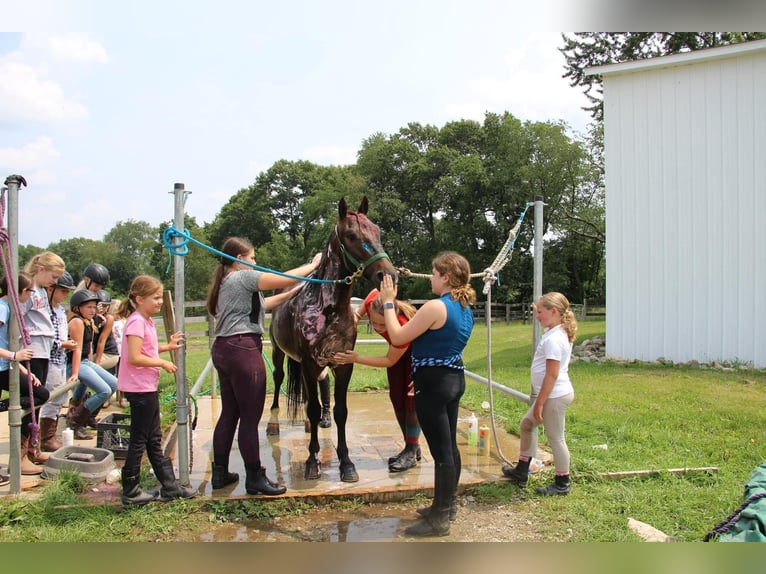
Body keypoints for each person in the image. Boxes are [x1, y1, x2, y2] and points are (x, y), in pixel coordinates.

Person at [205, 237, 321, 494]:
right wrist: (312, 266)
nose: (255, 263)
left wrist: (292, 294)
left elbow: (263, 305)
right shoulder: (242, 277)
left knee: (229, 414)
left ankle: (220, 473)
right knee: (249, 419)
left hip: (224, 349)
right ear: (239, 258)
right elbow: (281, 277)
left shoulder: (226, 282)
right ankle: (255, 478)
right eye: (252, 258)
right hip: (243, 351)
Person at [378, 251, 475, 537]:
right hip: (453, 379)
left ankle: (440, 519)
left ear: (445, 277)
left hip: (433, 384)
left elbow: (397, 336)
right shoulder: (464, 306)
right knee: (450, 449)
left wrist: (387, 303)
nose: (431, 278)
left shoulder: (436, 307)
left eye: (434, 273)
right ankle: (446, 505)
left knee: (442, 451)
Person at [116, 274, 194, 506]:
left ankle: (169, 487)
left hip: (146, 386)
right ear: (139, 299)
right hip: (139, 389)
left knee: (153, 438)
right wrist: (162, 362)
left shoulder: (145, 320)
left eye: (161, 297)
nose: (160, 302)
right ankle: (130, 490)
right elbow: (135, 356)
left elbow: (146, 348)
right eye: (155, 297)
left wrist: (166, 346)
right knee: (140, 439)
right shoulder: (137, 321)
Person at [333, 289, 422, 472]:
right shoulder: (373, 301)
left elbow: (389, 360)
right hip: (397, 352)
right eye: (374, 322)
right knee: (397, 398)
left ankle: (412, 450)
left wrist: (356, 358)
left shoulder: (401, 324)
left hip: (417, 354)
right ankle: (410, 445)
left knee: (410, 400)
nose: (378, 328)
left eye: (383, 324)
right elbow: (373, 292)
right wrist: (354, 319)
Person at [501, 292, 576, 496]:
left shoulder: (555, 339)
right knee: (527, 424)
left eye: (540, 312)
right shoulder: (555, 332)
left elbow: (551, 375)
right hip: (551, 394)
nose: (537, 316)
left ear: (553, 312)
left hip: (554, 395)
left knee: (556, 438)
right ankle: (522, 471)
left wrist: (540, 403)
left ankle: (562, 482)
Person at [1, 273, 48, 474]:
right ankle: (5, 406)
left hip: (6, 366)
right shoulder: (2, 308)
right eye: (30, 291)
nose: (31, 295)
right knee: (41, 395)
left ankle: (7, 405)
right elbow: (8, 349)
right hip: (3, 366)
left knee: (39, 392)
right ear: (21, 291)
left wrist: (24, 371)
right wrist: (14, 356)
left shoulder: (10, 308)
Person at [21, 251, 65, 464]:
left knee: (36, 403)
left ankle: (32, 448)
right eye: (53, 277)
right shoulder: (29, 291)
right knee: (34, 399)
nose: (54, 282)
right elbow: (19, 317)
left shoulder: (40, 291)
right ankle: (23, 453)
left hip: (43, 350)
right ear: (40, 270)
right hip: (33, 350)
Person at [65, 290, 118, 440]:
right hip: (75, 363)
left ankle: (88, 417)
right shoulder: (77, 322)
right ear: (77, 308)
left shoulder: (89, 322)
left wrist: (94, 366)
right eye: (88, 307)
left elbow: (89, 349)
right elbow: (77, 349)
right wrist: (75, 373)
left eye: (94, 307)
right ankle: (75, 423)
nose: (92, 310)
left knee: (114, 384)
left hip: (85, 362)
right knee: (104, 390)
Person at [38, 272, 78, 452]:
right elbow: (43, 337)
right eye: (62, 291)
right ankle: (46, 437)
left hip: (60, 358)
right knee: (52, 397)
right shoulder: (45, 310)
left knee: (61, 396)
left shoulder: (61, 310)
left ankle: (50, 433)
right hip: (50, 358)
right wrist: (62, 343)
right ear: (50, 289)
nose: (65, 295)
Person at [93, 289, 120, 374]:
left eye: (106, 306)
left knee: (86, 366)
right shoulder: (91, 317)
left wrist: (97, 362)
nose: (103, 309)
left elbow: (102, 340)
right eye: (101, 306)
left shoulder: (109, 318)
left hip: (109, 353)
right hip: (98, 351)